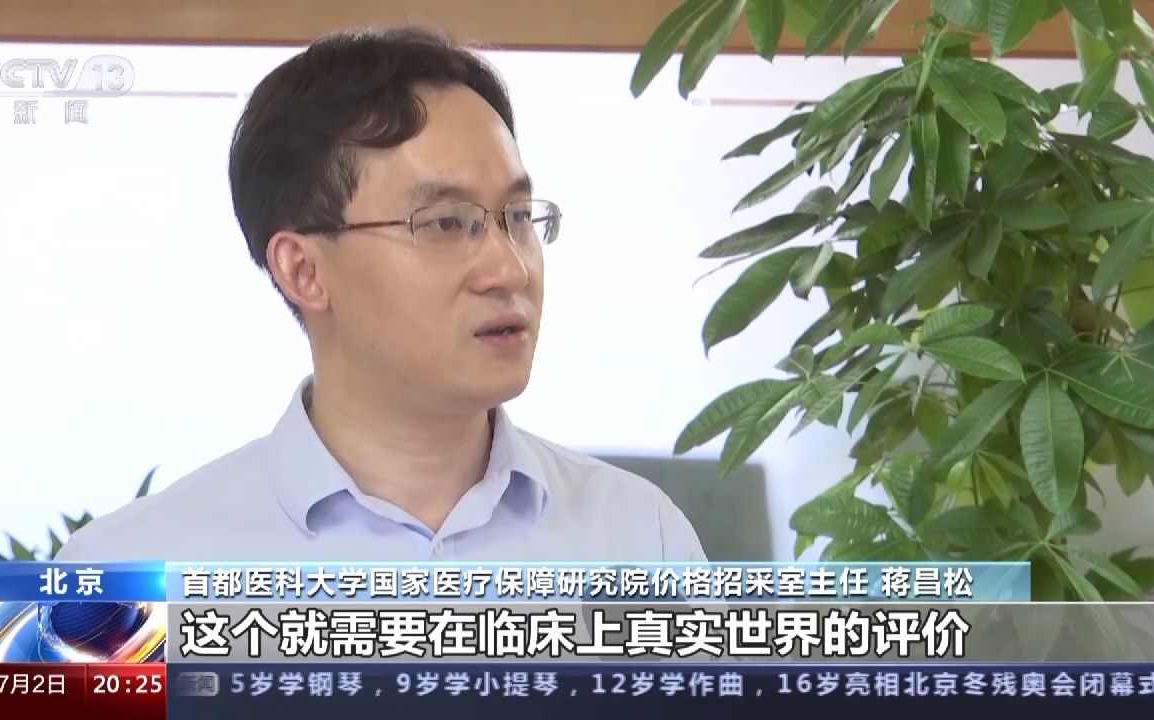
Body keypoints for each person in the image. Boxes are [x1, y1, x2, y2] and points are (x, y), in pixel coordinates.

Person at [57, 26, 706, 563]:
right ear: (303, 271)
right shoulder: (119, 574)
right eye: (445, 223)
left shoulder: (641, 539)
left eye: (516, 217)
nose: (509, 270)